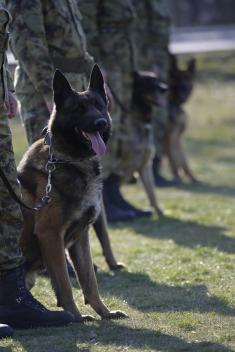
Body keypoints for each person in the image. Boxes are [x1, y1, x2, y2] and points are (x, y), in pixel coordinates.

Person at [0, 1, 73, 338]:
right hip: (40, 90)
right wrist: (48, 90)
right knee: (24, 204)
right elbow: (29, 40)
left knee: (8, 204)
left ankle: (13, 295)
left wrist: (4, 86)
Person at [79, 0, 152, 221]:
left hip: (124, 70)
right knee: (106, 135)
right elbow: (88, 27)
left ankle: (114, 194)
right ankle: (105, 204)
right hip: (107, 71)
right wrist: (97, 66)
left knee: (118, 133)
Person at [6, 0, 94, 145]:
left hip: (76, 88)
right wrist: (51, 93)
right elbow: (29, 45)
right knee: (48, 159)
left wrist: (95, 80)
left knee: (79, 162)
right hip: (45, 93)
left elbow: (76, 46)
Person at [134, 0, 177, 187]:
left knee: (161, 120)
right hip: (150, 67)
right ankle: (148, 169)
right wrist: (150, 65)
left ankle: (156, 167)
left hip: (161, 65)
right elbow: (140, 32)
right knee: (152, 120)